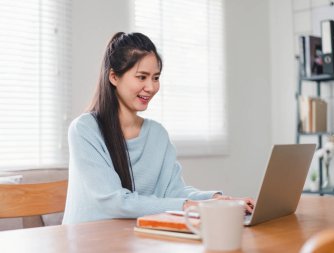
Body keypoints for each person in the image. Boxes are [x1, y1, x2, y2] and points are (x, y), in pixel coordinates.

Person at [62, 32, 253, 224]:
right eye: (142, 77)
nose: (151, 87)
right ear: (113, 77)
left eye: (155, 78)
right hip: (87, 241)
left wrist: (217, 201)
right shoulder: (84, 130)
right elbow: (114, 201)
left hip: (134, 239)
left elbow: (174, 192)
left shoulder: (157, 134)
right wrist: (188, 206)